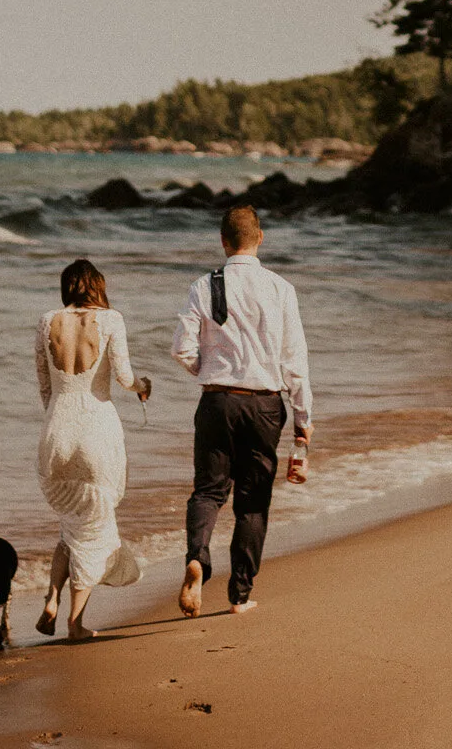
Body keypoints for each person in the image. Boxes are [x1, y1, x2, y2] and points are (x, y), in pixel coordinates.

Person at [171, 202, 312, 617]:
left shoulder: (204, 285)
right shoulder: (280, 288)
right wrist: (303, 423)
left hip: (217, 400)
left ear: (222, 241)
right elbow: (295, 362)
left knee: (209, 490)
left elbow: (180, 348)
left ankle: (197, 558)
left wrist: (208, 370)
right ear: (260, 238)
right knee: (253, 499)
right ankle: (240, 595)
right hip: (265, 405)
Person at [34, 257, 151, 641]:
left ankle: (52, 597)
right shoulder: (111, 319)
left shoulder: (46, 320)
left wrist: (58, 421)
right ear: (97, 286)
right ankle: (75, 623)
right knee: (95, 531)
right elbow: (124, 377)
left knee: (70, 528)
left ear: (66, 287)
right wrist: (144, 386)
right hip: (95, 429)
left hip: (56, 429)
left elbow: (45, 389)